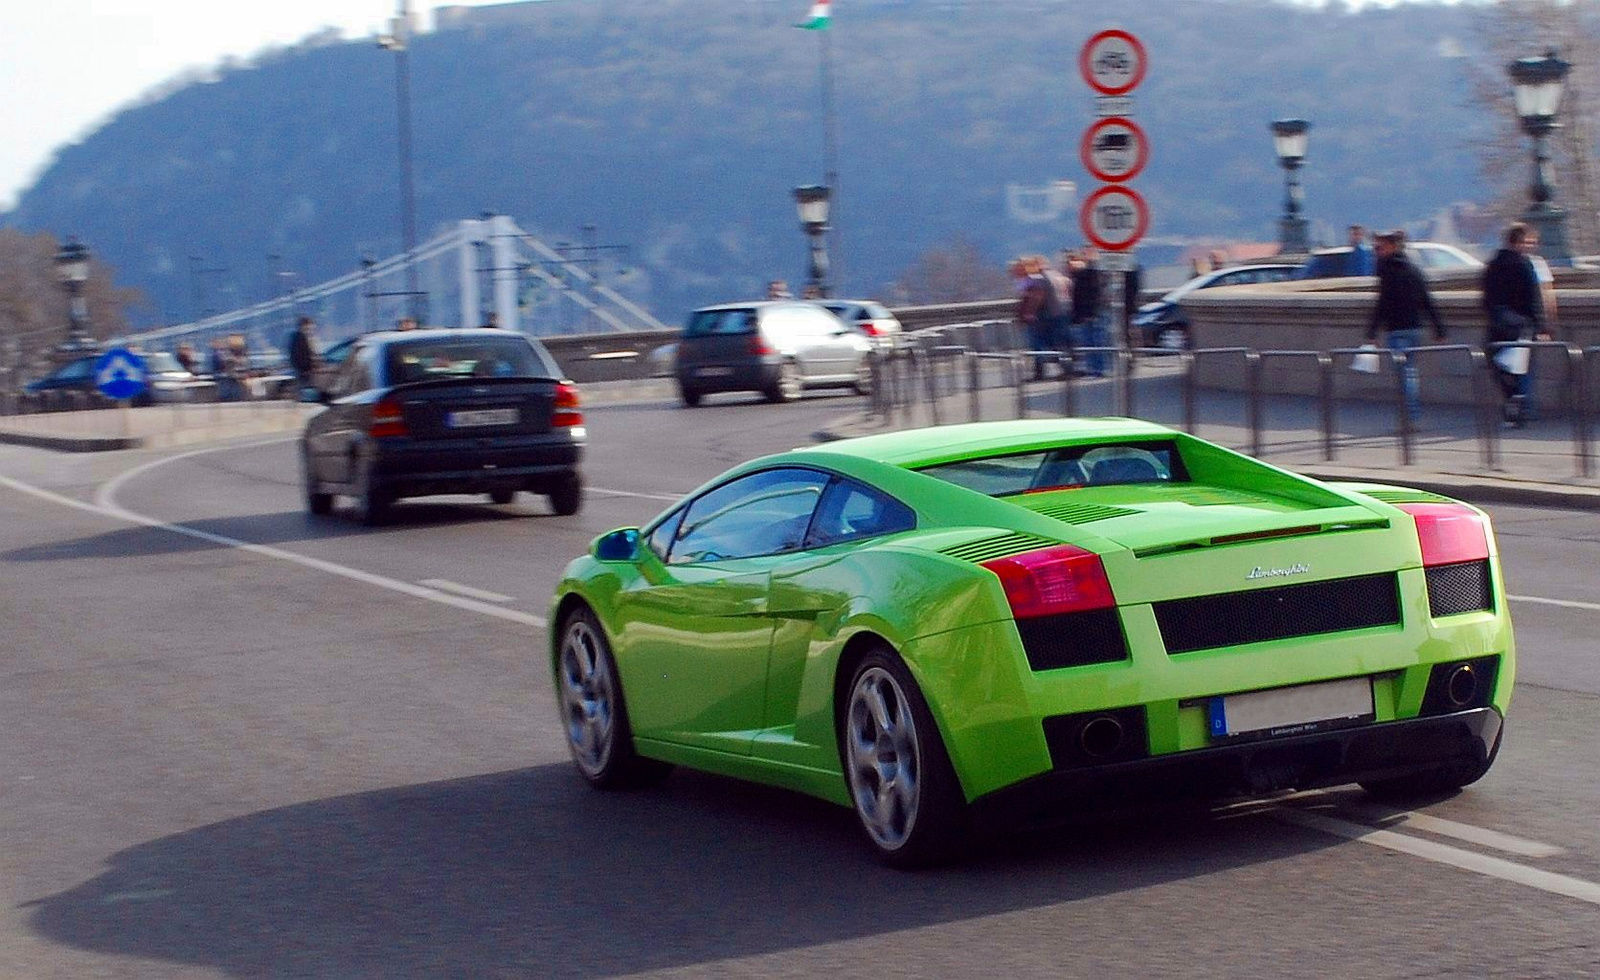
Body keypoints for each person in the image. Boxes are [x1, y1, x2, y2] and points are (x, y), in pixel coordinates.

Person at [1365, 230, 1445, 419]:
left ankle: (1411, 413)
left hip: (1397, 329)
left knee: (1405, 373)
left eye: (1380, 248)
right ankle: (1411, 411)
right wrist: (1439, 328)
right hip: (1415, 328)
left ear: (1392, 247)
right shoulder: (1414, 270)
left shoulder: (1387, 271)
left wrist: (1372, 332)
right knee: (1410, 370)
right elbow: (1427, 301)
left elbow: (1382, 304)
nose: (1377, 252)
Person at [1481, 222, 1553, 426]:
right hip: (1522, 326)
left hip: (1498, 325)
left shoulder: (1493, 264)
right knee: (1523, 369)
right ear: (1519, 242)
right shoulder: (1524, 264)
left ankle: (1512, 403)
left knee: (1501, 367)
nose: (1531, 247)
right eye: (1529, 242)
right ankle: (1523, 408)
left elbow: (1487, 298)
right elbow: (1534, 298)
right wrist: (1541, 326)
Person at [1069, 247, 1107, 376]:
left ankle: (1096, 368)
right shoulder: (1099, 274)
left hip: (1088, 313)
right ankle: (1098, 368)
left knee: (1091, 342)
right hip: (1094, 312)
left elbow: (1083, 296)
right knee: (1095, 341)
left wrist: (1084, 314)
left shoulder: (1085, 275)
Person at [288, 316, 318, 391]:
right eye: (308, 328)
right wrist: (306, 368)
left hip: (305, 370)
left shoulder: (305, 338)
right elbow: (299, 356)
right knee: (306, 389)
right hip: (304, 371)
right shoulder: (299, 339)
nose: (311, 331)